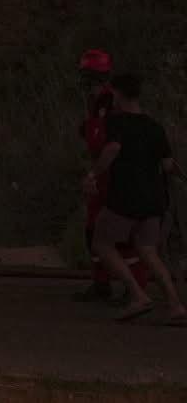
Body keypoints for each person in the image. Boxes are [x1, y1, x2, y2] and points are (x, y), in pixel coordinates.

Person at [86, 72, 186, 324]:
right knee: (147, 250)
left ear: (118, 94)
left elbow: (112, 149)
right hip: (153, 199)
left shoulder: (117, 122)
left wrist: (92, 175)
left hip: (126, 196)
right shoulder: (154, 126)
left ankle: (137, 294)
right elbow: (167, 164)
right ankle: (175, 305)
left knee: (101, 243)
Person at [76, 48, 146, 303]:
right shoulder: (96, 102)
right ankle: (102, 282)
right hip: (103, 171)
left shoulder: (111, 102)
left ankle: (135, 287)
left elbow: (113, 143)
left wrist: (94, 173)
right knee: (93, 229)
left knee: (122, 233)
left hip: (114, 173)